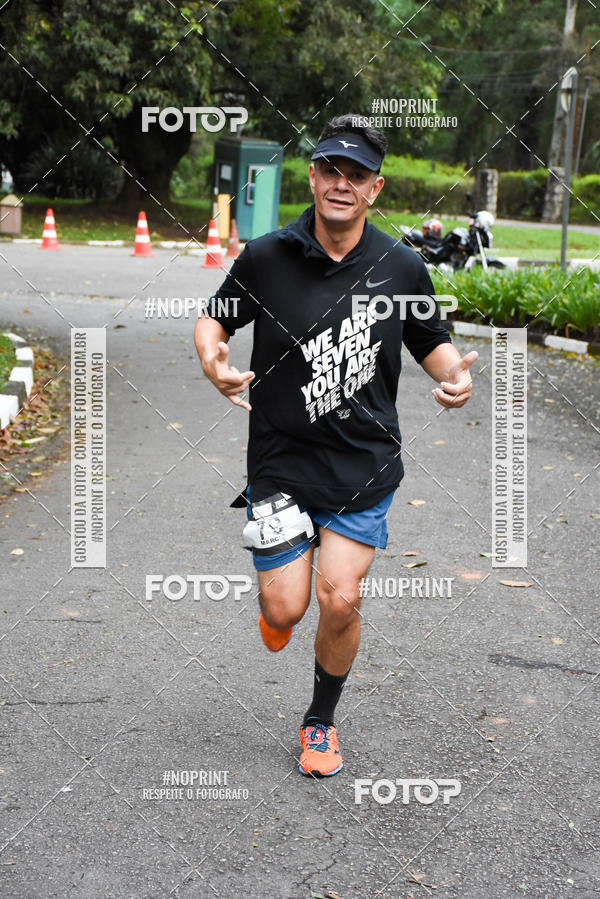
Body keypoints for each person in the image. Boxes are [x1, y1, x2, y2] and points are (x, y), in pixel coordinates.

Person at [194, 113, 477, 778]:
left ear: (374, 189)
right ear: (313, 176)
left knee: (341, 597)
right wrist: (214, 360)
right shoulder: (266, 256)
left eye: (356, 174)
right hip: (279, 463)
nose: (341, 183)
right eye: (330, 169)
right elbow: (215, 318)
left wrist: (453, 377)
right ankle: (277, 607)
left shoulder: (401, 264)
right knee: (285, 605)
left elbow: (430, 340)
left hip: (362, 465)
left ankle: (319, 720)